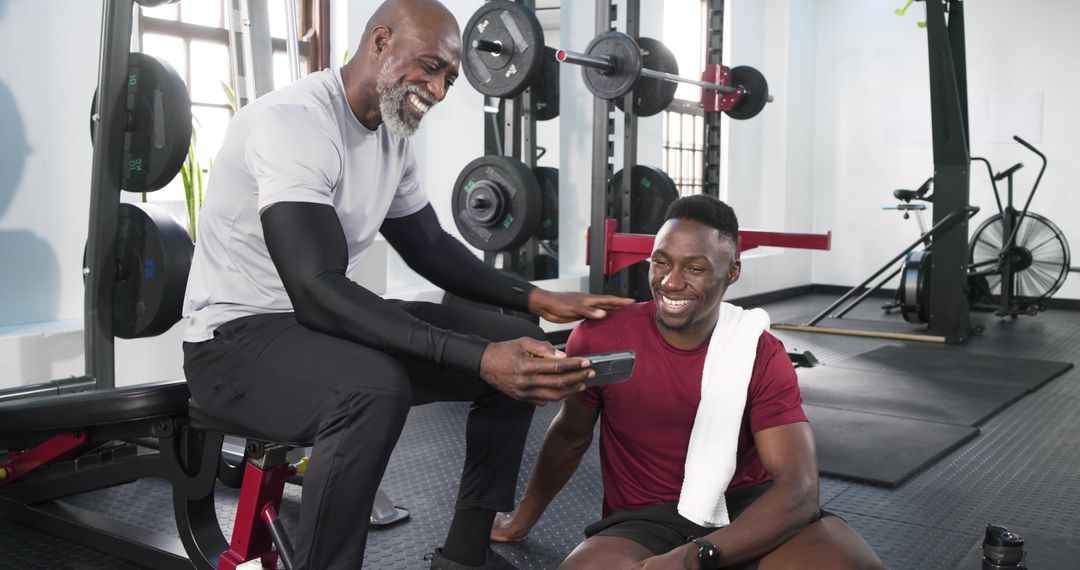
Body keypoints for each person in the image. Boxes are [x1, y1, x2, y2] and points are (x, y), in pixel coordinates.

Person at [180, 1, 633, 568]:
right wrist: (478, 358)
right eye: (430, 67)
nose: (438, 91)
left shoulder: (392, 135)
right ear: (380, 42)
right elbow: (316, 289)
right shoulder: (295, 123)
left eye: (449, 78)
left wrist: (534, 298)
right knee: (375, 389)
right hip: (231, 342)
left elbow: (430, 247)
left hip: (311, 327)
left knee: (519, 346)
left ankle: (465, 554)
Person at [491, 195, 885, 569]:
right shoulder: (601, 337)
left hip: (747, 508)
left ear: (731, 273)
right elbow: (570, 436)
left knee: (848, 562)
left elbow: (799, 489)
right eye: (661, 262)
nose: (670, 282)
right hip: (645, 520)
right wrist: (518, 522)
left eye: (694, 269)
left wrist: (695, 557)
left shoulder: (759, 351)